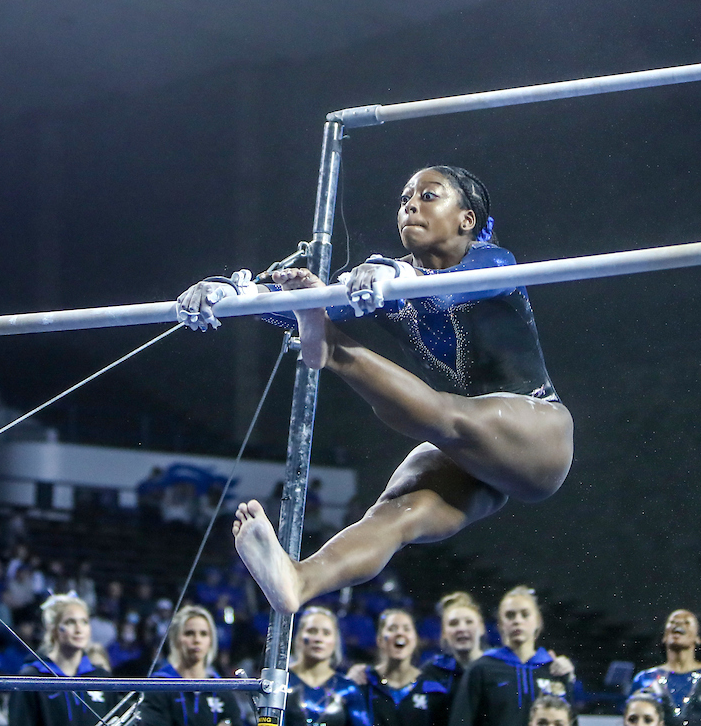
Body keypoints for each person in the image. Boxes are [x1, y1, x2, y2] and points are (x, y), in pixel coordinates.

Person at [177, 166, 574, 615]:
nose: (410, 205)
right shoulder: (383, 280)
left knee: (443, 415)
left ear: (467, 220)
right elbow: (291, 307)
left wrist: (392, 282)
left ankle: (329, 347)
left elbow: (448, 293)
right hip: (471, 458)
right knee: (396, 514)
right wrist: (231, 295)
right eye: (406, 198)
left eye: (429, 196)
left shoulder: (494, 260)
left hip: (537, 434)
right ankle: (300, 580)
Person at [450, 586, 575, 726]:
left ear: (538, 622)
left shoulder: (555, 670)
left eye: (525, 614)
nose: (517, 621)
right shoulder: (481, 669)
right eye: (510, 615)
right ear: (500, 624)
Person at [8, 593, 115, 726]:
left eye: (84, 622)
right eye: (70, 622)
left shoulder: (101, 676)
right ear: (52, 628)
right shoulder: (31, 677)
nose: (79, 629)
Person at [140, 604, 249, 726]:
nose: (197, 640)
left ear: (211, 641)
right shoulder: (159, 685)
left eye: (203, 634)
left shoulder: (222, 690)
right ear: (175, 638)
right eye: (189, 633)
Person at [631, 610, 701, 726]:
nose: (678, 624)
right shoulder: (644, 679)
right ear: (664, 637)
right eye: (673, 622)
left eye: (686, 622)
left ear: (698, 638)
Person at [285, 606, 371, 726]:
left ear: (335, 641)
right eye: (312, 631)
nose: (318, 639)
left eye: (326, 633)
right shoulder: (282, 681)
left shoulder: (347, 688)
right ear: (299, 638)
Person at [419, 591, 486, 721]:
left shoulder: (496, 667)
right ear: (444, 632)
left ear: (482, 627)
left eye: (469, 622)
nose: (461, 628)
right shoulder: (432, 671)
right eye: (453, 623)